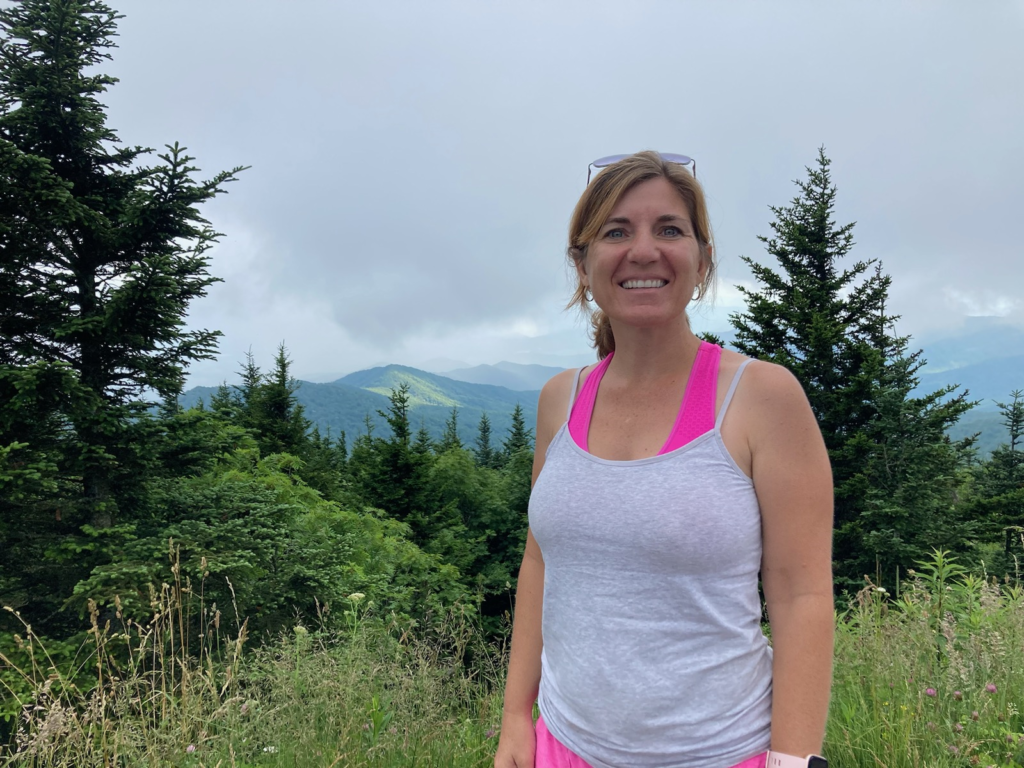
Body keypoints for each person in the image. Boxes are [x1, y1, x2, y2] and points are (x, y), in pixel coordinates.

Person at [493, 151, 834, 768]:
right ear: (582, 263)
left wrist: (793, 762)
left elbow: (800, 592)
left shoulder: (761, 398)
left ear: (702, 261)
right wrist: (517, 718)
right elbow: (540, 562)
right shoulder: (559, 401)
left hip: (720, 754)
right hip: (562, 747)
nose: (643, 250)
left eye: (669, 229)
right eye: (616, 232)